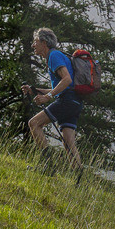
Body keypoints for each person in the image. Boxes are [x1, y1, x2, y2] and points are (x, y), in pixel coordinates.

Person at [22, 28, 83, 171]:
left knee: (34, 123)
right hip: (75, 101)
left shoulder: (53, 55)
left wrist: (47, 97)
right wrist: (36, 91)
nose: (33, 45)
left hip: (67, 101)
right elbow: (64, 86)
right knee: (68, 142)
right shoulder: (56, 55)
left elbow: (66, 80)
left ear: (44, 43)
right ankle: (80, 180)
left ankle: (48, 166)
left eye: (35, 42)